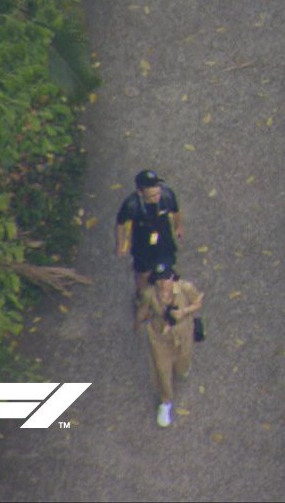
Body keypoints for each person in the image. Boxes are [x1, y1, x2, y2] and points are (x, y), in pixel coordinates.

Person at [135, 261, 203, 428]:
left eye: (166, 279)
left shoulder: (185, 288)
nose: (162, 283)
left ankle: (182, 368)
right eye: (159, 280)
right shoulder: (150, 294)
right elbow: (144, 310)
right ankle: (165, 403)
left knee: (182, 365)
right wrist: (138, 322)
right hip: (160, 338)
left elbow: (197, 303)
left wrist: (183, 312)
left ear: (172, 277)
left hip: (182, 334)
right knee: (162, 370)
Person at [115, 170, 182, 308]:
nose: (157, 197)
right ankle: (141, 297)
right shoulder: (131, 205)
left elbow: (175, 211)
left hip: (164, 239)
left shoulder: (167, 195)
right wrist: (121, 244)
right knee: (143, 274)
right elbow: (120, 224)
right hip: (142, 243)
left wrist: (178, 226)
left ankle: (168, 297)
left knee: (168, 270)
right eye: (152, 196)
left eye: (157, 193)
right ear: (140, 192)